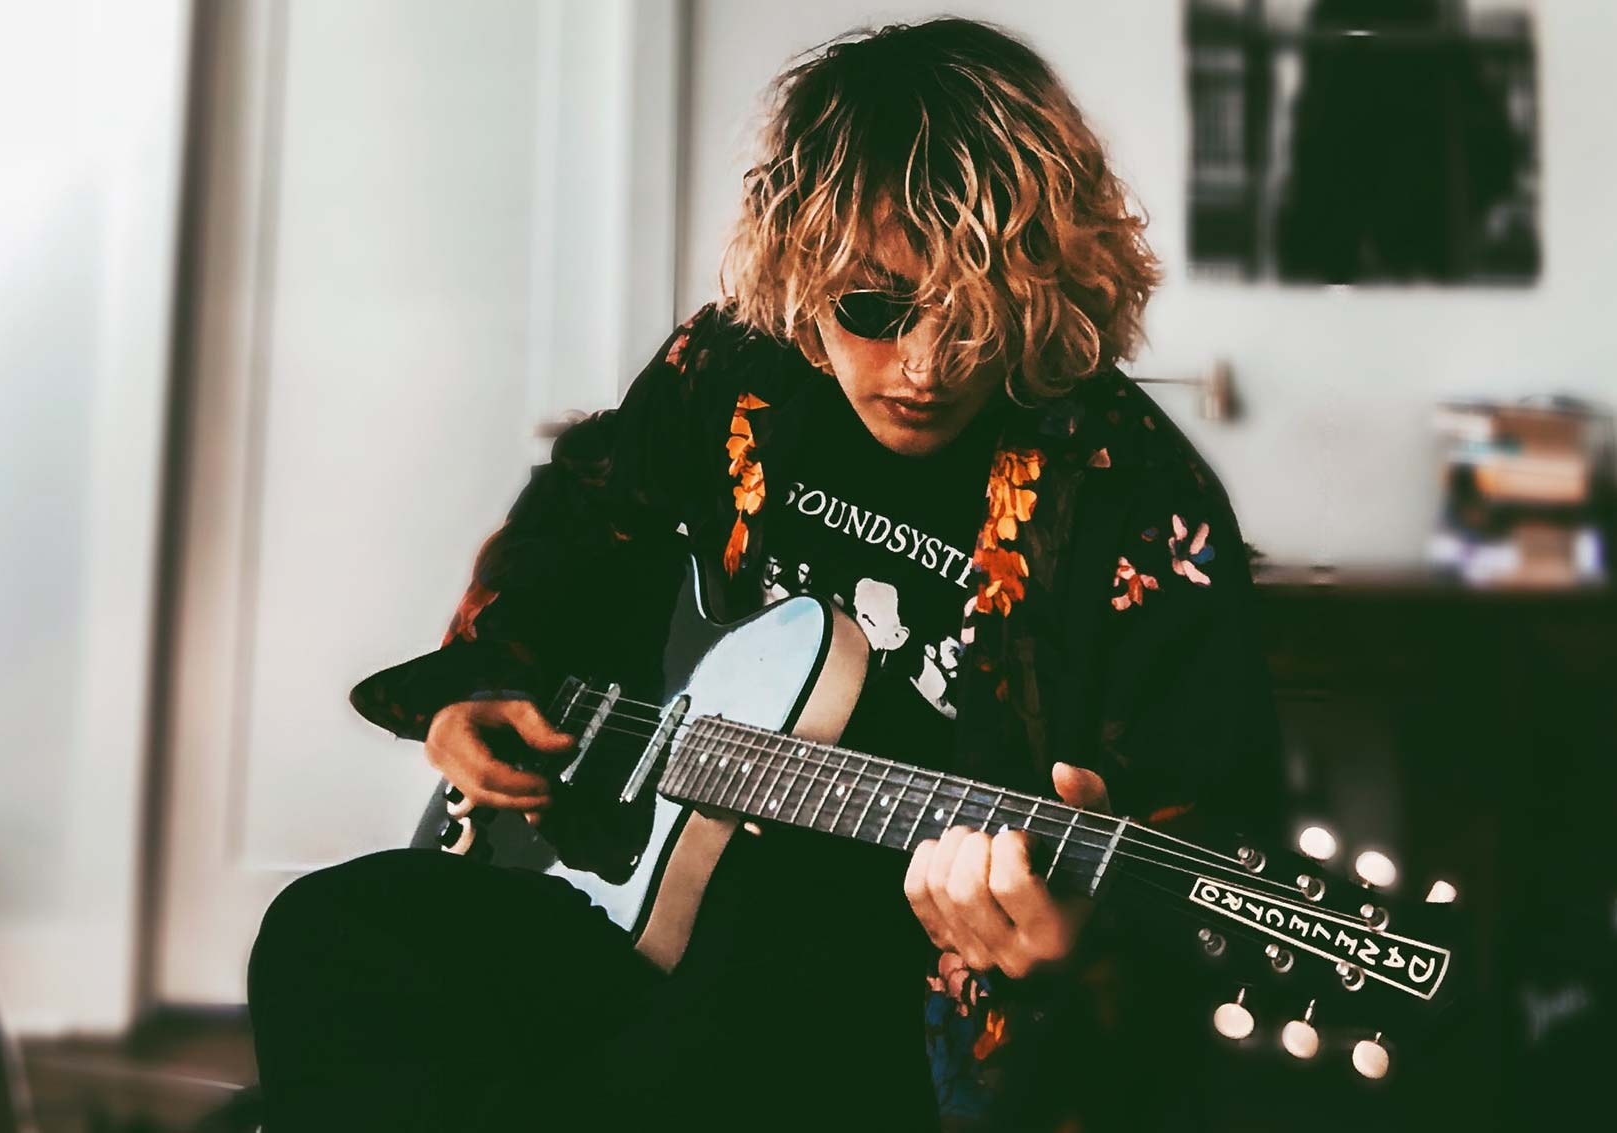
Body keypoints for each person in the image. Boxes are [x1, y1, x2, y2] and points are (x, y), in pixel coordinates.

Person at [248, 16, 1283, 1133]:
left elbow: (1213, 837)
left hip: (876, 994)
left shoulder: (1142, 504)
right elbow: (588, 508)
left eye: (972, 312)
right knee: (325, 934)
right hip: (637, 894)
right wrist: (493, 675)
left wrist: (1074, 945)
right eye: (873, 307)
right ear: (800, 265)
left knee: (686, 1048)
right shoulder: (736, 372)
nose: (924, 364)